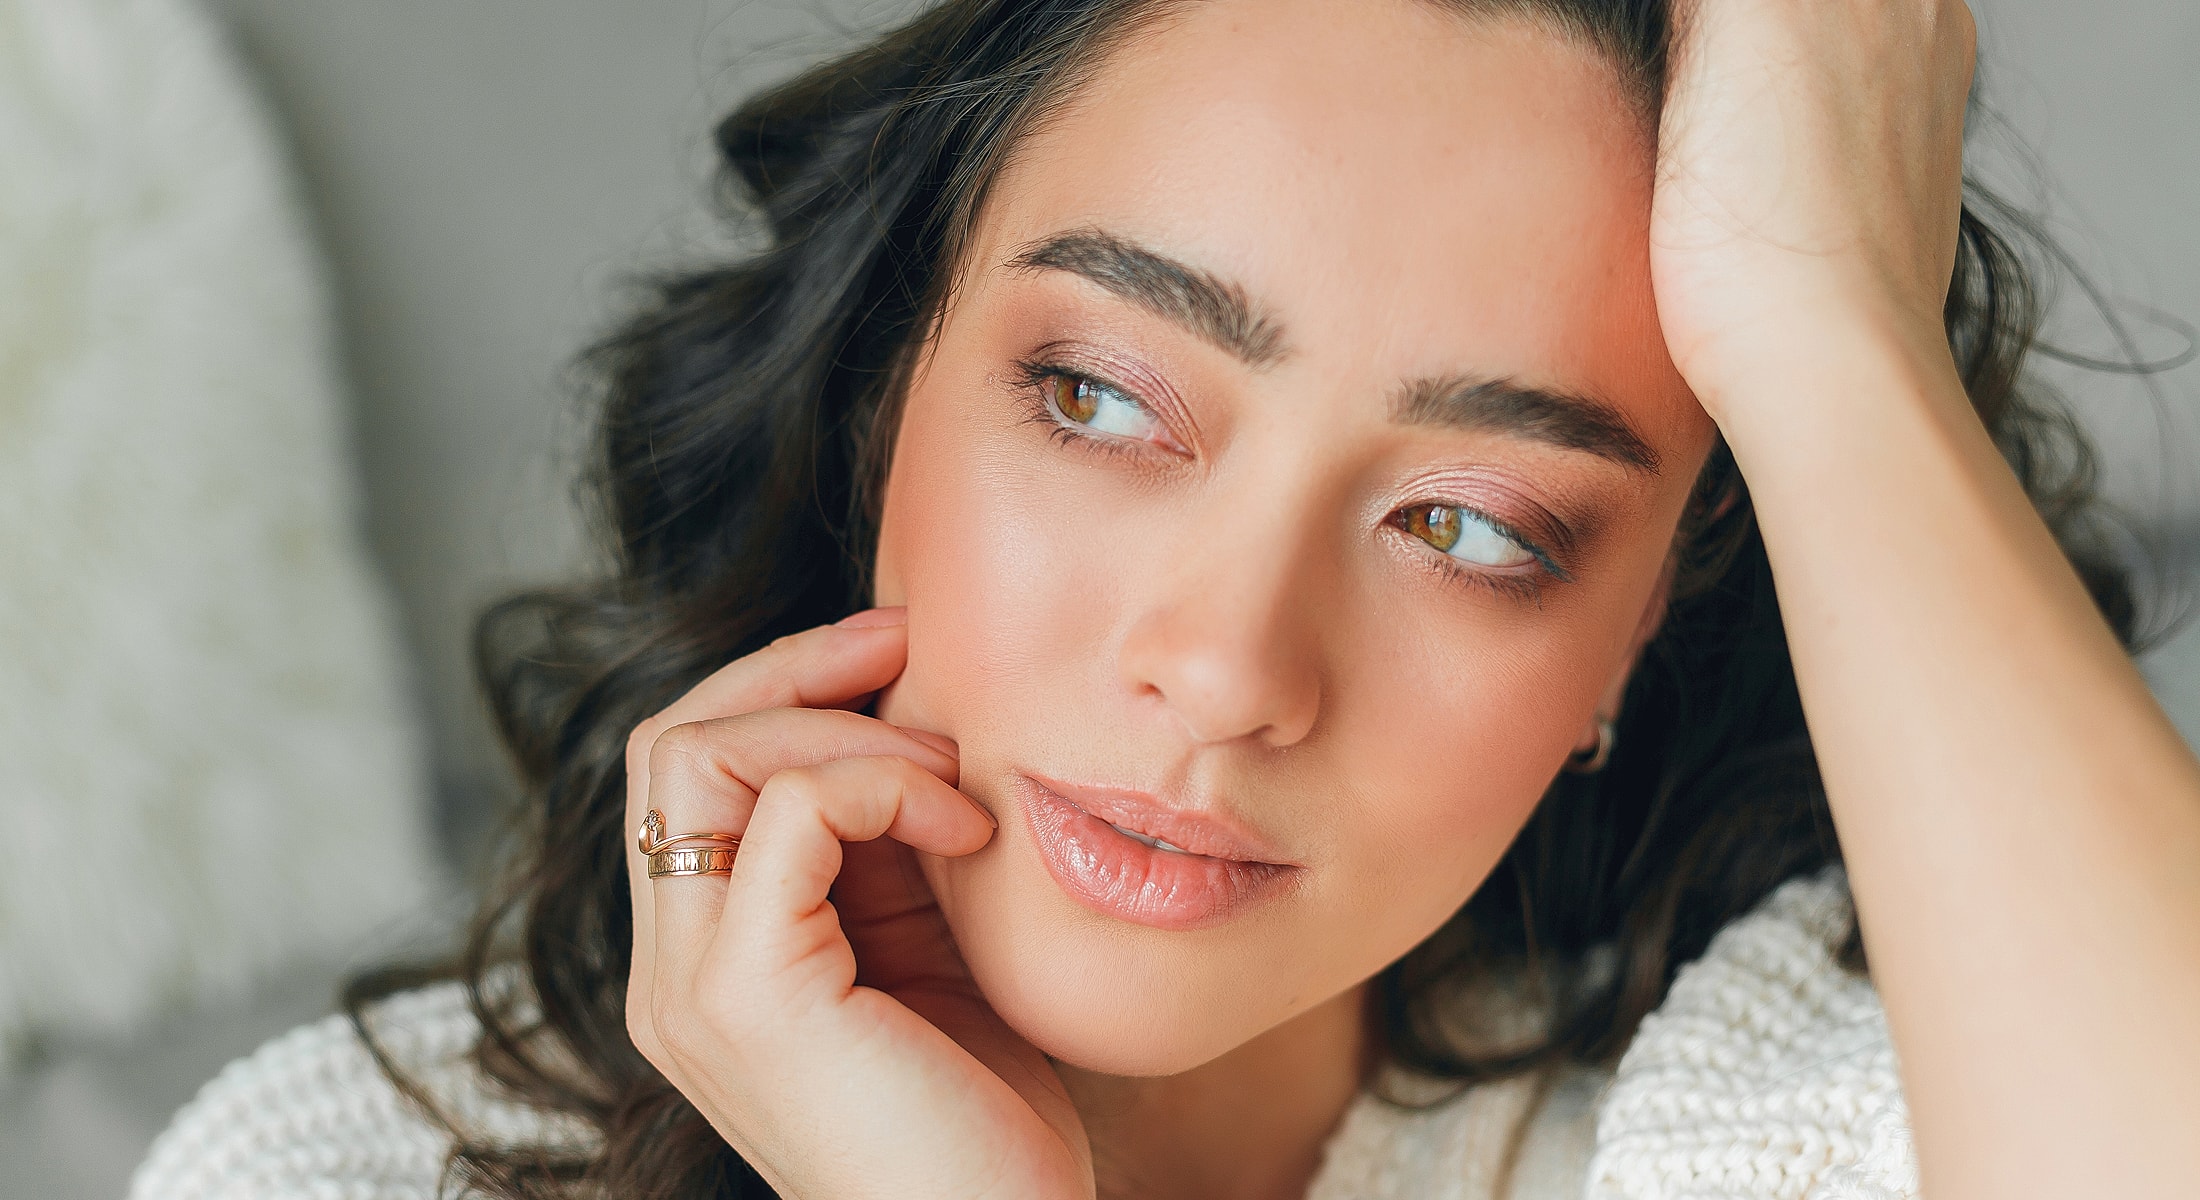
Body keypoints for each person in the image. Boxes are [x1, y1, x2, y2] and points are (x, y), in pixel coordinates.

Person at [131, 0, 2200, 1197]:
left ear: (1640, 631)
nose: (1220, 668)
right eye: (1100, 398)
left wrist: (1824, 315)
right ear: (883, 397)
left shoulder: (1780, 1126)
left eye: (1475, 527)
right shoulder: (352, 1172)